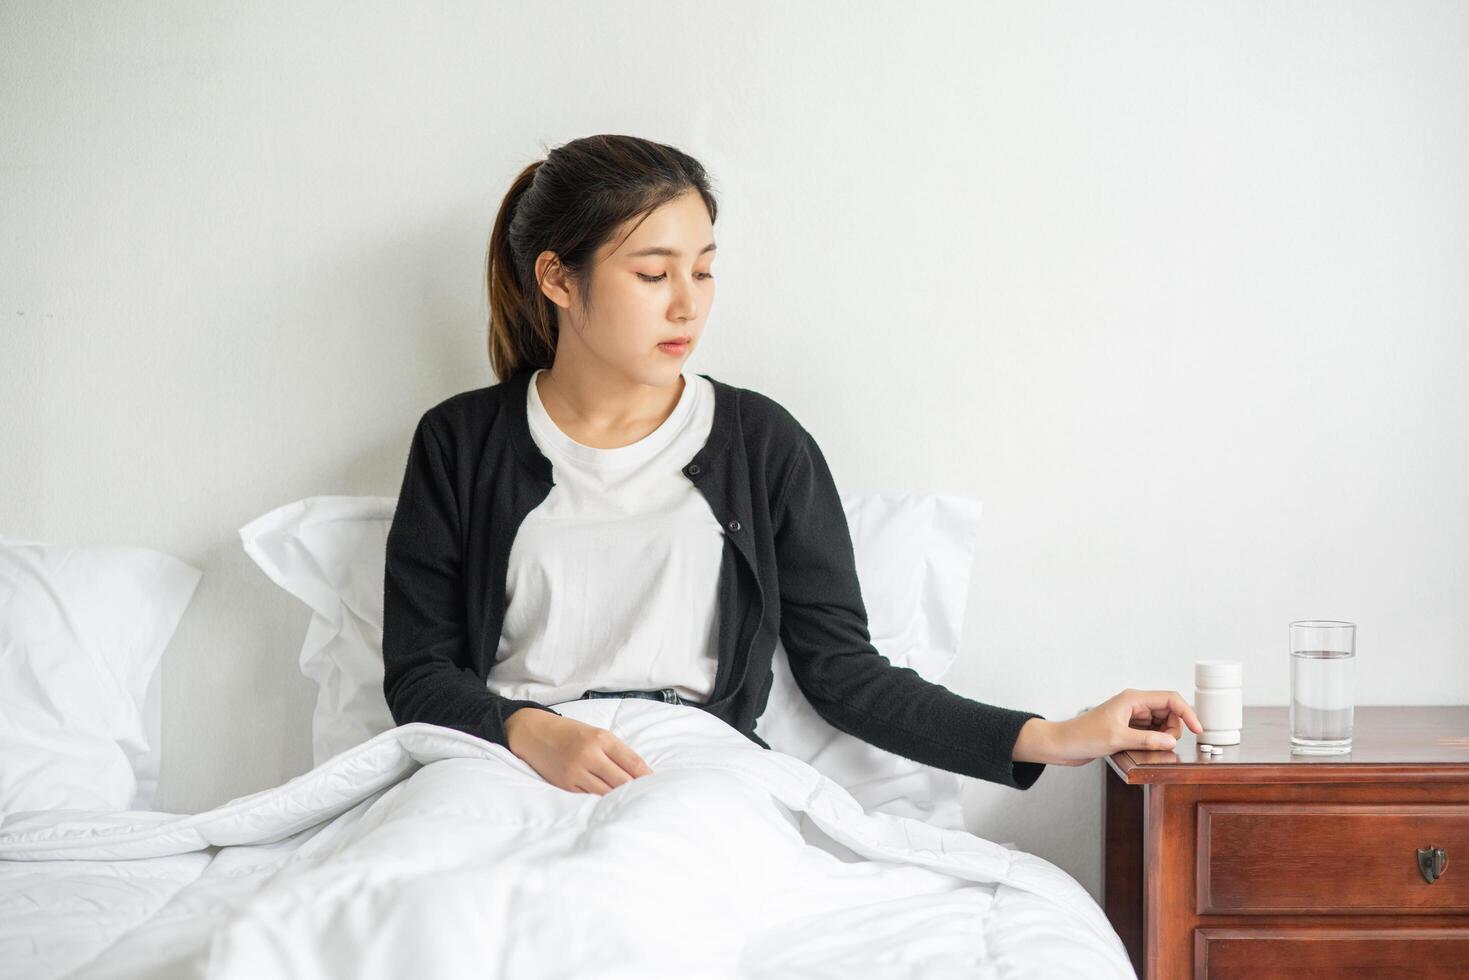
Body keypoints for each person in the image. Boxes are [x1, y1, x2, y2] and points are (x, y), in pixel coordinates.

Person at [382, 133, 1202, 799]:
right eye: (652, 273)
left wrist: (1052, 737)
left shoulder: (759, 442)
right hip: (501, 765)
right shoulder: (461, 442)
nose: (688, 303)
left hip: (688, 767)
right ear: (558, 278)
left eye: (702, 270)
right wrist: (527, 731)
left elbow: (844, 674)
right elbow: (420, 673)